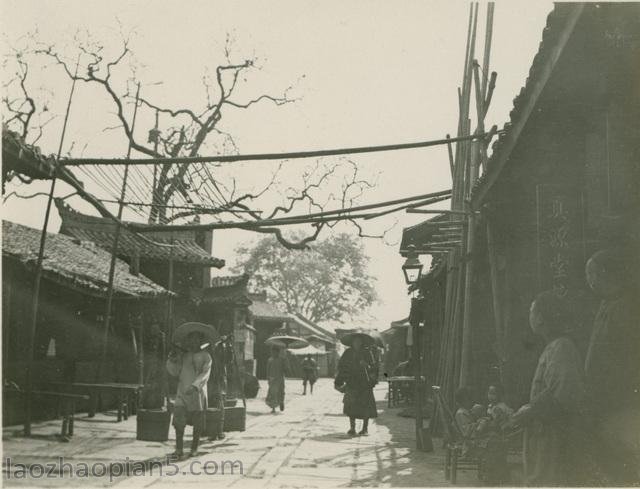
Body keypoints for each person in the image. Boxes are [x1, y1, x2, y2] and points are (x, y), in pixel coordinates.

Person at [505, 290, 591, 486]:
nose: (530, 316)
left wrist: (530, 410)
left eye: (532, 311)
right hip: (543, 432)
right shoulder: (553, 346)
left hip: (554, 434)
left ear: (541, 318)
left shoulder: (561, 347)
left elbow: (565, 393)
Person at [584, 249, 640, 483]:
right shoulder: (606, 304)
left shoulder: (625, 306)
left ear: (607, 273)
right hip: (602, 396)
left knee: (619, 458)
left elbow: (626, 357)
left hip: (618, 398)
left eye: (592, 274)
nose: (589, 280)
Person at [166, 331, 212, 459]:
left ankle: (194, 448)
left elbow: (205, 373)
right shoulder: (183, 356)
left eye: (196, 339)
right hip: (182, 391)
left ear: (201, 341)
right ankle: (179, 449)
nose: (193, 342)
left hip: (198, 392)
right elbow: (174, 372)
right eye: (191, 339)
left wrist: (195, 385)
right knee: (179, 420)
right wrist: (172, 359)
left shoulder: (206, 356)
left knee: (197, 423)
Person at [334, 335, 379, 436]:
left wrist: (367, 365)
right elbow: (341, 366)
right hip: (352, 382)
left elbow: (374, 367)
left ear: (362, 342)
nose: (357, 343)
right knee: (351, 405)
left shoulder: (367, 352)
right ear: (352, 342)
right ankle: (352, 428)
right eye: (355, 341)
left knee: (365, 406)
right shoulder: (348, 353)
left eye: (359, 341)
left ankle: (365, 428)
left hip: (365, 383)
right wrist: (339, 381)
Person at [266, 346, 288, 413]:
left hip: (280, 378)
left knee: (281, 392)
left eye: (275, 352)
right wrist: (268, 378)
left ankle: (281, 402)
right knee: (273, 393)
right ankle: (273, 408)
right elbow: (268, 370)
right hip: (272, 379)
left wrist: (285, 362)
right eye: (272, 352)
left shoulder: (282, 359)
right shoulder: (270, 360)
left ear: (278, 352)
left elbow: (286, 369)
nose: (273, 353)